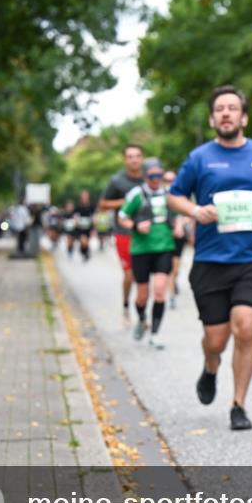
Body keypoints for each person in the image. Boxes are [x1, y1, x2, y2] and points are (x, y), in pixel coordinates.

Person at [167, 84, 252, 431]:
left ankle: (238, 404)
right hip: (211, 261)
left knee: (246, 328)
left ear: (243, 116)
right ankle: (211, 366)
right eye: (219, 109)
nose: (226, 113)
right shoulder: (199, 157)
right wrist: (195, 211)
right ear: (213, 118)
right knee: (216, 339)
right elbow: (175, 197)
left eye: (232, 108)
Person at [118, 162, 176, 349]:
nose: (156, 179)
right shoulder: (137, 194)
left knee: (159, 290)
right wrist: (135, 226)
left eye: (159, 175)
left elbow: (181, 211)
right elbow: (122, 217)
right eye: (152, 176)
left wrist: (180, 225)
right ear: (145, 177)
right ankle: (142, 319)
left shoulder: (168, 193)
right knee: (142, 295)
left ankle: (155, 334)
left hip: (164, 247)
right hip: (141, 250)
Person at [101, 144, 147, 324]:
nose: (134, 159)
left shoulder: (148, 178)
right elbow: (103, 204)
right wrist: (127, 201)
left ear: (142, 158)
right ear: (125, 159)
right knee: (129, 275)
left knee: (143, 277)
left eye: (137, 156)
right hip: (124, 233)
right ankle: (126, 306)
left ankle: (142, 314)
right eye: (130, 156)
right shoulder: (117, 181)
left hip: (146, 233)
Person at [163, 170, 188, 309]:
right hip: (166, 237)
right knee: (170, 269)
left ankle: (174, 282)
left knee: (176, 269)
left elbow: (188, 213)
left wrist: (180, 224)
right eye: (167, 180)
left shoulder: (182, 195)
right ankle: (171, 296)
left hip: (179, 237)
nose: (169, 183)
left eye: (172, 179)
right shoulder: (160, 197)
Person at [74, 190, 95, 262]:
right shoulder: (78, 206)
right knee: (83, 241)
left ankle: (86, 252)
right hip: (80, 227)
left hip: (88, 226)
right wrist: (76, 221)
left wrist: (94, 221)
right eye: (83, 195)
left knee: (86, 242)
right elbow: (75, 215)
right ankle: (84, 252)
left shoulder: (91, 206)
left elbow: (94, 215)